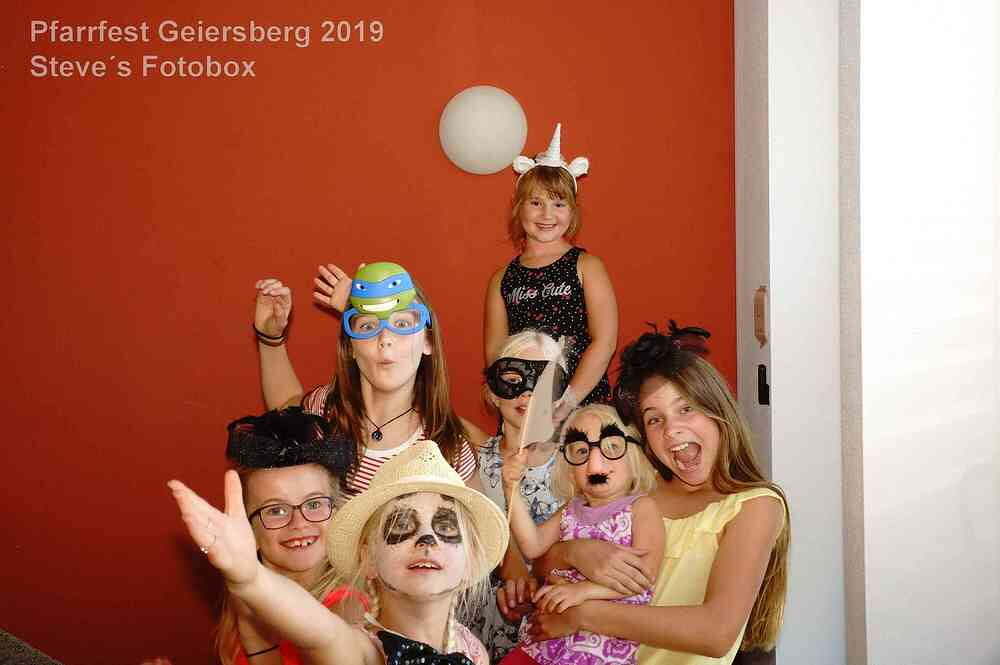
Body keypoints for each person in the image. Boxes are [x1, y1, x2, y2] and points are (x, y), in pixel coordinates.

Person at [511, 322, 790, 665]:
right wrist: (574, 552)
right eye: (655, 420)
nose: (672, 430)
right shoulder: (636, 489)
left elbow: (716, 633)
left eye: (686, 408)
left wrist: (583, 615)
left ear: (720, 412)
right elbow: (542, 564)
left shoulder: (755, 505)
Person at [168, 441, 510, 665]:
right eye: (401, 525)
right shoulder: (362, 652)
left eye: (446, 526)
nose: (426, 540)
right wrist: (250, 578)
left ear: (470, 562)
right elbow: (321, 631)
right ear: (368, 557)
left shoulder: (471, 650)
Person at [253, 261, 484, 500]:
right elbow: (284, 410)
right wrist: (270, 338)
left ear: (428, 341)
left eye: (402, 324)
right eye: (368, 326)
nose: (385, 338)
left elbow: (481, 520)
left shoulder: (450, 452)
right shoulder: (325, 409)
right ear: (350, 347)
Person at [499, 404, 662, 665]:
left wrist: (583, 591)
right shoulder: (569, 510)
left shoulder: (641, 508)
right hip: (546, 642)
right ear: (570, 469)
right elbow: (532, 546)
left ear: (632, 456)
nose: (595, 462)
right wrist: (511, 489)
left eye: (611, 447)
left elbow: (645, 576)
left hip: (600, 647)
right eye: (582, 452)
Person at [483, 123, 618, 421]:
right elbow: (496, 353)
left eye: (558, 204)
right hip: (524, 409)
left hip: (582, 407)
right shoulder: (502, 279)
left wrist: (568, 401)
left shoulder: (587, 266)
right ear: (519, 208)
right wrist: (511, 399)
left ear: (572, 210)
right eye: (536, 203)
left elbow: (605, 341)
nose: (547, 214)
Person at [217, 407, 361, 665]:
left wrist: (259, 647)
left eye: (314, 504)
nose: (299, 523)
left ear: (338, 513)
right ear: (247, 529)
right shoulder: (243, 603)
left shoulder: (347, 610)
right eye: (276, 510)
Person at [465, 330, 568, 663]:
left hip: (549, 632)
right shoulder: (472, 457)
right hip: (478, 632)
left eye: (543, 381)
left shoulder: (577, 464)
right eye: (513, 379)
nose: (527, 392)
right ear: (493, 393)